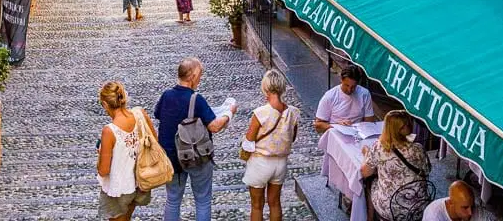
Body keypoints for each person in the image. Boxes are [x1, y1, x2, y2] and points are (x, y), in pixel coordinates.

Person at [154, 57, 236, 221]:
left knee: (172, 200)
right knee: (203, 200)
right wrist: (229, 113)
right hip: (196, 157)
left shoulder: (167, 95)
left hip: (171, 157)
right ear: (192, 77)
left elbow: (157, 114)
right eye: (200, 75)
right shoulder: (196, 99)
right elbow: (214, 126)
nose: (201, 78)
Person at [242, 69, 300, 221]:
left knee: (257, 205)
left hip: (260, 163)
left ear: (266, 88)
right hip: (280, 164)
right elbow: (291, 138)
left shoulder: (260, 113)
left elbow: (249, 142)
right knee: (275, 203)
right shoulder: (293, 112)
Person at [96, 81, 154, 220]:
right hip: (139, 183)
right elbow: (153, 142)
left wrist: (100, 154)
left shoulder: (109, 131)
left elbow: (104, 170)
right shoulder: (140, 114)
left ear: (105, 104)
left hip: (119, 189)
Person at [360, 111, 431, 221]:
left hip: (392, 210)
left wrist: (366, 153)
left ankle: (369, 218)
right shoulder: (418, 148)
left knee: (369, 182)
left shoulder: (379, 148)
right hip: (419, 207)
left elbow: (364, 172)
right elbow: (427, 170)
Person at [313, 64, 376, 134]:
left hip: (358, 133)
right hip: (335, 133)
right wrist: (336, 126)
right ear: (341, 80)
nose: (349, 90)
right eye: (346, 85)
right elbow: (318, 125)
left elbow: (369, 121)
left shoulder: (364, 94)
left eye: (353, 87)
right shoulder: (329, 96)